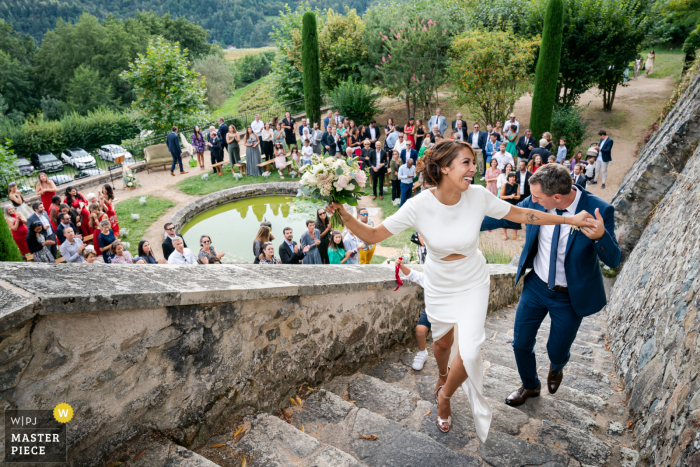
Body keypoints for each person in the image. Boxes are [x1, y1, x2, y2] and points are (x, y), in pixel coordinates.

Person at [326, 140, 592, 441]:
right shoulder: (418, 205)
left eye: (472, 162)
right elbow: (373, 235)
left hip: (473, 279)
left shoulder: (478, 196)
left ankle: (445, 396)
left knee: (471, 348)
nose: (473, 168)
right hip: (439, 280)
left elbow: (522, 215)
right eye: (466, 162)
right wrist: (344, 214)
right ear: (444, 168)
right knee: (441, 346)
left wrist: (568, 219)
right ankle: (442, 374)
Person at [481, 163, 620, 408]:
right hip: (535, 286)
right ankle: (530, 385)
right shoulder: (536, 203)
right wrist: (456, 225)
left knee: (557, 350)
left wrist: (600, 238)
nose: (531, 200)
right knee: (520, 343)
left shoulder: (599, 209)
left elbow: (614, 260)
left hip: (569, 297)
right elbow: (505, 216)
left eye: (536, 197)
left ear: (556, 197)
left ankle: (557, 368)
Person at [394, 257, 431, 371]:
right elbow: (414, 275)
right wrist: (402, 266)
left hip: (448, 312)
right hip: (431, 310)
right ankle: (422, 352)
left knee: (445, 340)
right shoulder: (429, 278)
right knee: (420, 331)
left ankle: (453, 358)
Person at [500, 172, 521, 240]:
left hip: (514, 203)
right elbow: (501, 196)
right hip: (506, 203)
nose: (512, 178)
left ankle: (515, 235)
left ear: (515, 178)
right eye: (511, 177)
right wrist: (510, 196)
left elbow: (518, 197)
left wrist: (513, 197)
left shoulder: (517, 185)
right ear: (508, 178)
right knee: (505, 218)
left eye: (513, 177)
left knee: (516, 218)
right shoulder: (504, 185)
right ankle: (505, 234)